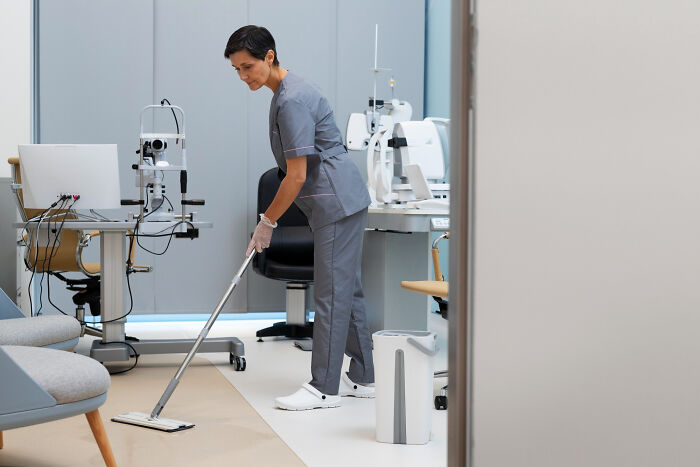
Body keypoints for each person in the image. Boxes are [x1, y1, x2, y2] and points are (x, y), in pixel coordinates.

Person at [224, 25, 375, 410]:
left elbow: (296, 175)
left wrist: (267, 222)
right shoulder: (288, 91)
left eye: (247, 67)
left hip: (335, 202)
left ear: (269, 57)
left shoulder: (291, 100)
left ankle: (323, 388)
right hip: (339, 199)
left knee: (330, 294)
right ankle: (364, 376)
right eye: (237, 70)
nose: (243, 76)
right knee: (347, 291)